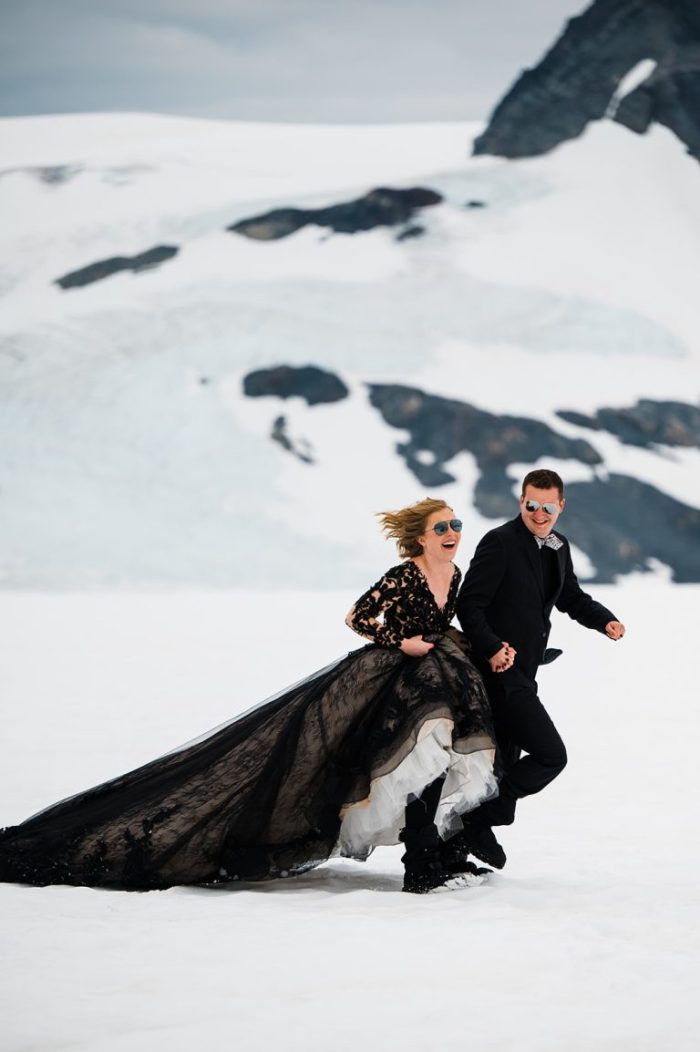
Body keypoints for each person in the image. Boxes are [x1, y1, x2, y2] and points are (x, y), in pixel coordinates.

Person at [0, 498, 498, 895]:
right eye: (441, 527)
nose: (452, 533)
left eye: (455, 525)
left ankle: (426, 860)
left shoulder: (452, 575)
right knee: (390, 761)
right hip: (392, 675)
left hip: (437, 671)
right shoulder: (404, 574)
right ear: (420, 536)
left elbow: (443, 621)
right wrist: (400, 642)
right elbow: (357, 618)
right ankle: (421, 865)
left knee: (431, 759)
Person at [453, 468, 626, 870]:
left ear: (561, 506)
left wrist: (605, 621)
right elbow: (469, 605)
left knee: (500, 767)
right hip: (496, 673)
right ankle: (480, 820)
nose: (539, 513)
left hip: (526, 672)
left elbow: (570, 596)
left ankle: (459, 845)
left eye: (548, 506)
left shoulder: (558, 545)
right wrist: (493, 648)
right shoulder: (499, 542)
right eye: (532, 505)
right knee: (551, 754)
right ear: (521, 502)